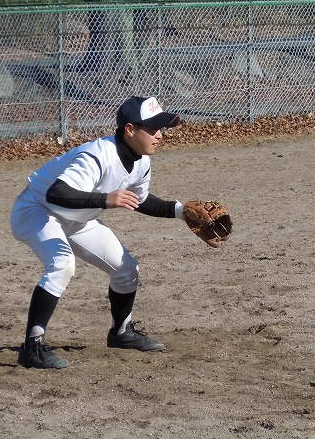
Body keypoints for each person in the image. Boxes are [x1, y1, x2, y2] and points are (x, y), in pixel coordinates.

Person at [10, 96, 187, 369]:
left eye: (161, 128)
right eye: (152, 129)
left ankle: (121, 332)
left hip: (78, 218)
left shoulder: (141, 161)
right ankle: (32, 347)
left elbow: (139, 200)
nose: (160, 135)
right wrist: (105, 199)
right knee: (62, 264)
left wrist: (181, 211)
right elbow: (56, 192)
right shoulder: (97, 155)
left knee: (126, 269)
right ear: (130, 129)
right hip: (38, 210)